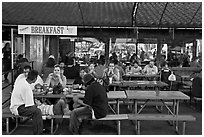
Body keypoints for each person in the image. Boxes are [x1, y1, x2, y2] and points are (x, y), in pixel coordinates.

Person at [10, 70, 43, 135]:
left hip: (15, 105)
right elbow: (30, 105)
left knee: (37, 110)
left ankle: (39, 129)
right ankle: (38, 133)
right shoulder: (27, 88)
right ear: (35, 79)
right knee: (37, 111)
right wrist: (39, 105)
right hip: (18, 108)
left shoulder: (22, 81)